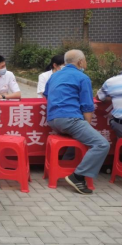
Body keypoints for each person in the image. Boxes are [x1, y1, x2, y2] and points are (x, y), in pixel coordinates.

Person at [44, 50, 110, 195]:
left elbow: (47, 95)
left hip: (53, 120)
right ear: (80, 62)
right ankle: (77, 176)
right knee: (101, 144)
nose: (85, 63)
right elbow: (87, 106)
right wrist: (86, 126)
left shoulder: (54, 75)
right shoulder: (82, 77)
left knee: (79, 136)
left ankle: (69, 164)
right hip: (69, 119)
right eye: (85, 60)